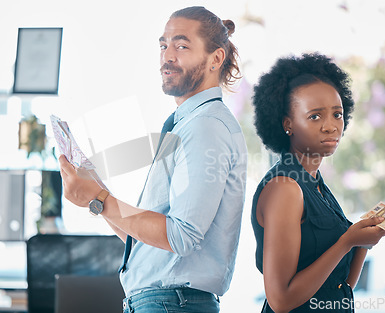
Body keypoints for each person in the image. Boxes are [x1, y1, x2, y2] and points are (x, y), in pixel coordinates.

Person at [59, 6, 247, 313]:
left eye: (182, 46)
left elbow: (181, 236)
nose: (167, 56)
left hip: (172, 304)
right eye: (163, 45)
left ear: (216, 59)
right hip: (164, 302)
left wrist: (100, 198)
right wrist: (95, 195)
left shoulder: (204, 127)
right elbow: (148, 242)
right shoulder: (188, 124)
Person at [250, 53, 385, 313]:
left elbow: (342, 284)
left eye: (337, 114)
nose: (331, 126)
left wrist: (363, 242)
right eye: (315, 116)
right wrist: (347, 241)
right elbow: (280, 301)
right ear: (287, 124)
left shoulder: (316, 185)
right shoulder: (285, 188)